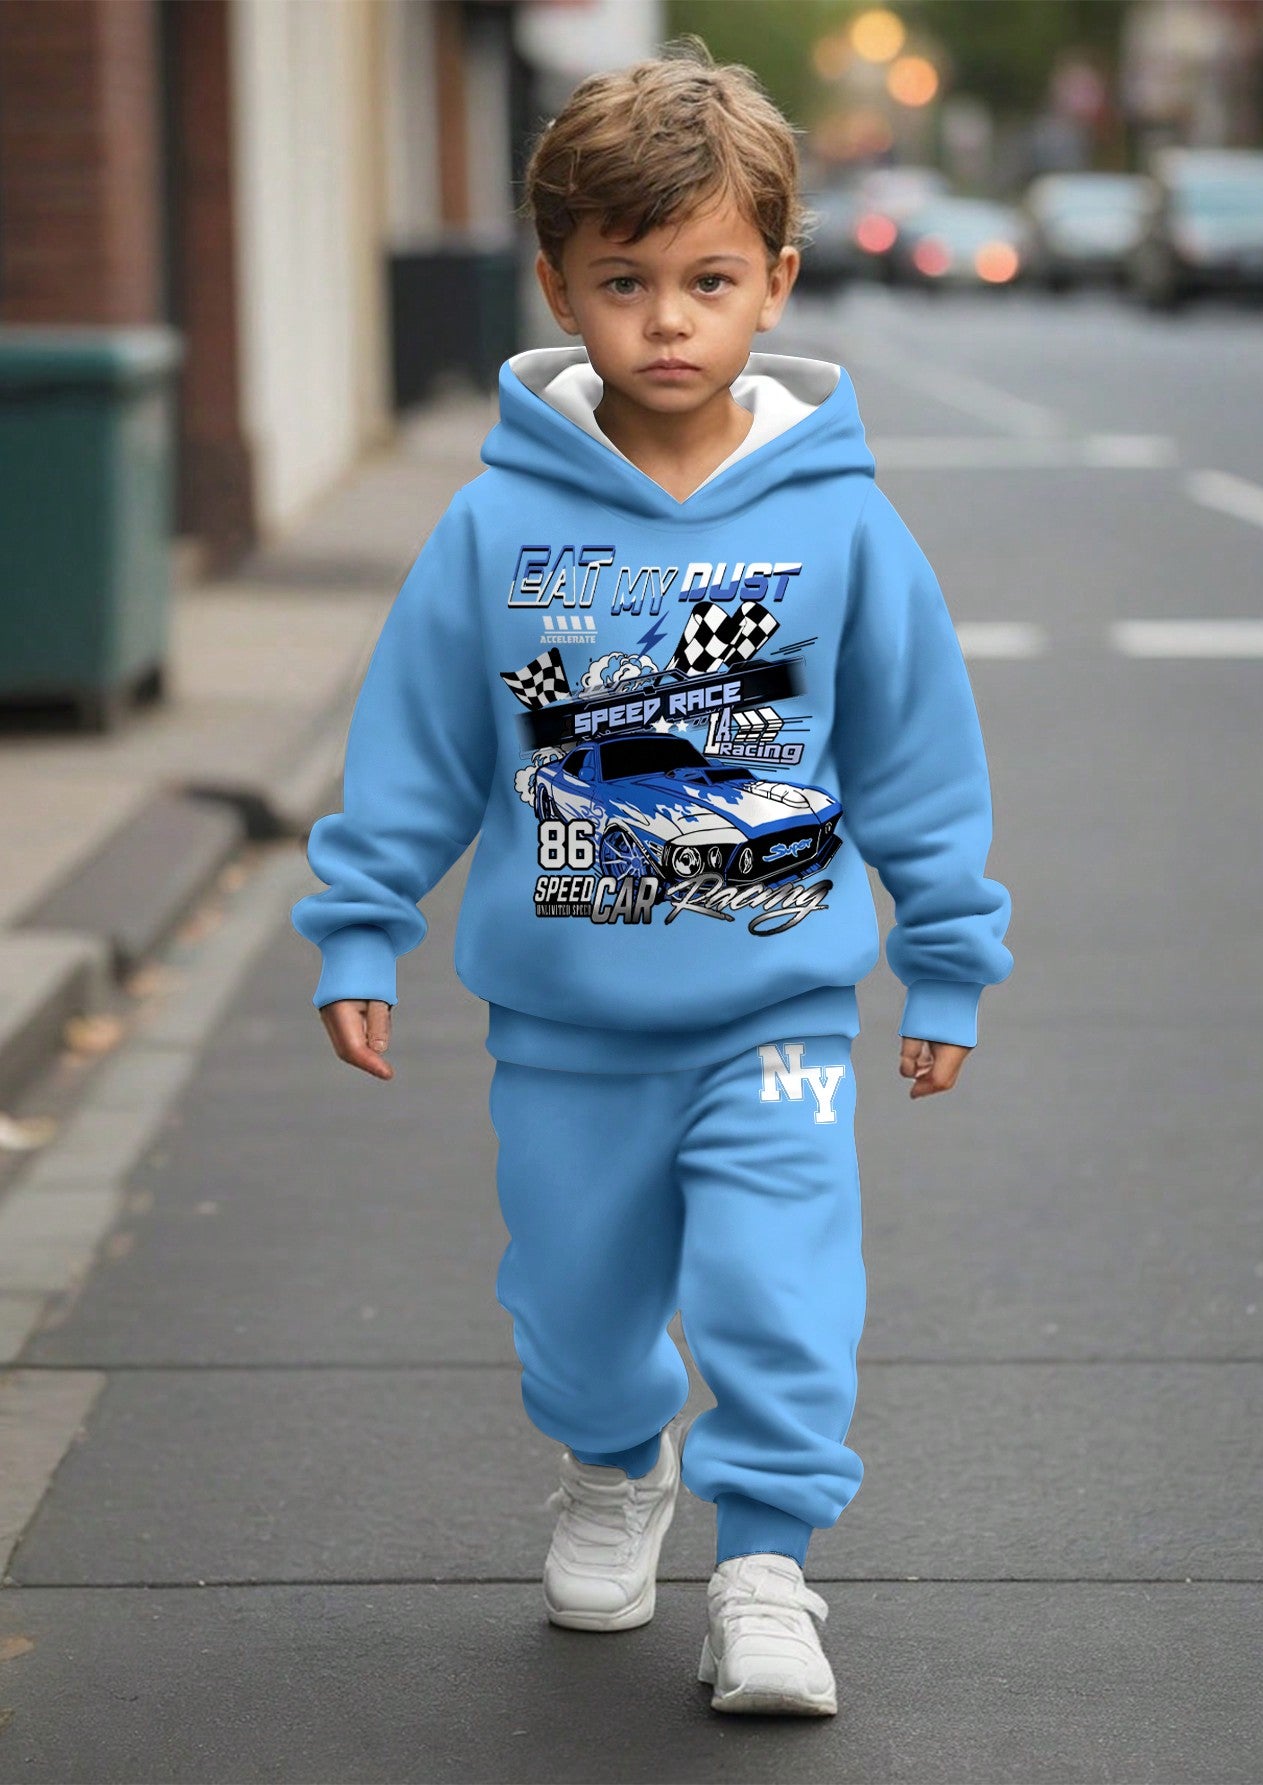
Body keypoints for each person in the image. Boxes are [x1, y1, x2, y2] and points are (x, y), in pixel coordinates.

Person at [290, 35, 1013, 1720]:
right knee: (581, 1304)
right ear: (557, 284)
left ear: (776, 280)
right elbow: (415, 747)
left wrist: (951, 956)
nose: (668, 322)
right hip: (567, 1025)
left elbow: (915, 755)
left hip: (777, 1004)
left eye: (706, 279)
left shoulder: (842, 523)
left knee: (780, 1293)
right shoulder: (492, 529)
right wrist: (360, 926)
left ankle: (767, 1567)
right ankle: (615, 1464)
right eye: (624, 282)